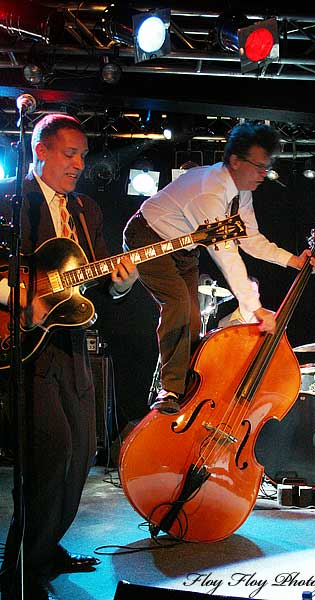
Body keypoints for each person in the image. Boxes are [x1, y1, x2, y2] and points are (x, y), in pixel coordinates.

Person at [0, 113, 137, 600]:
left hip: (73, 343)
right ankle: (20, 566)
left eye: (82, 154)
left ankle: (45, 548)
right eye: (69, 153)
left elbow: (99, 276)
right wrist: (20, 299)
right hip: (26, 345)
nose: (79, 163)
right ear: (40, 150)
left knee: (80, 453)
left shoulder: (87, 211)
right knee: (49, 455)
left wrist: (121, 283)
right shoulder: (12, 199)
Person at [123, 120, 315, 416]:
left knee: (192, 318)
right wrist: (256, 309)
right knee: (179, 305)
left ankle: (188, 385)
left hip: (183, 250)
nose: (263, 175)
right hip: (148, 238)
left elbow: (250, 239)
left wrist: (293, 260)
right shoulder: (210, 192)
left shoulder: (242, 193)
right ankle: (170, 389)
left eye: (265, 167)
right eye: (258, 167)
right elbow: (226, 253)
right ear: (235, 161)